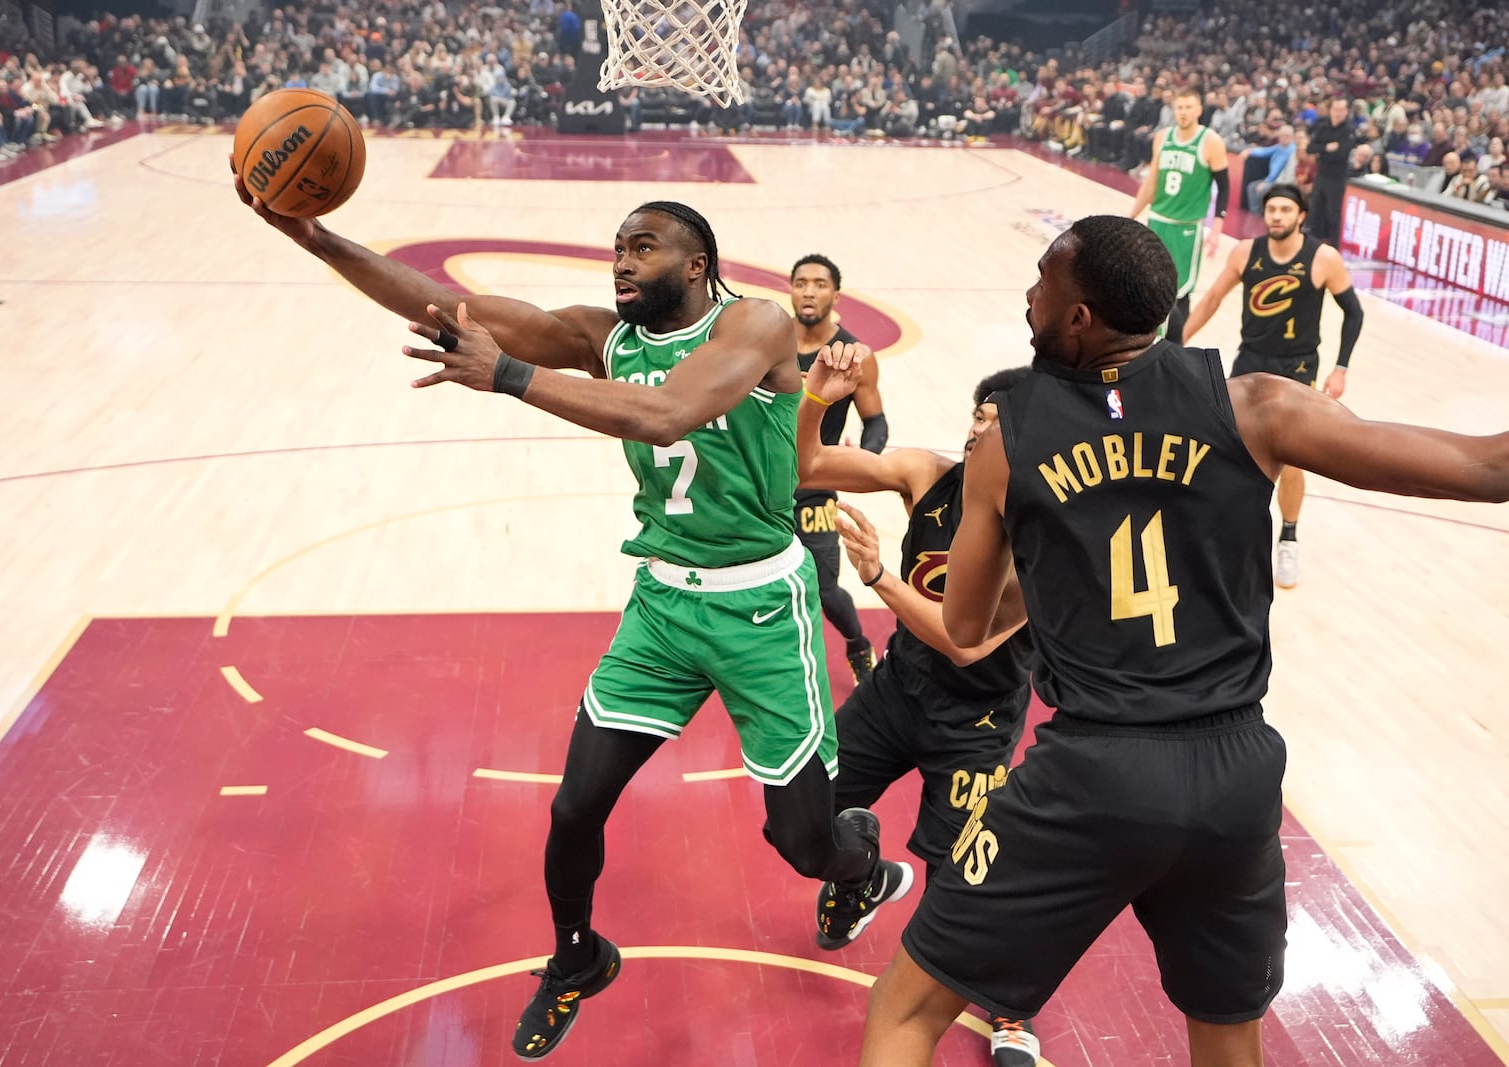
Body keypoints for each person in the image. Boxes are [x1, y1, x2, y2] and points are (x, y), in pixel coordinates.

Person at [230, 176, 886, 1061]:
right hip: (661, 605)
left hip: (762, 608)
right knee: (575, 808)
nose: (622, 259)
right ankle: (578, 954)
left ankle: (862, 861)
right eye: (617, 246)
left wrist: (506, 376)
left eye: (642, 246)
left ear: (697, 264)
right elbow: (449, 305)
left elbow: (667, 415)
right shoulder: (601, 336)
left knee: (803, 841)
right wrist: (314, 238)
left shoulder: (755, 325)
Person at [855, 214, 1509, 1067]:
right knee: (1229, 1039)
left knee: (903, 1012)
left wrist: (1057, 553)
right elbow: (1490, 467)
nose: (1028, 296)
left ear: (1081, 318)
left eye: (1042, 283)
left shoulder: (1006, 436)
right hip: (1234, 776)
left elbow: (969, 626)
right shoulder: (1257, 403)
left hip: (1094, 771)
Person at [797, 357, 1042, 1067]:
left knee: (963, 877)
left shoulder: (1037, 536)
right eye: (976, 416)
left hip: (978, 716)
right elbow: (807, 464)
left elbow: (964, 645)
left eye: (997, 426)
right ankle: (862, 876)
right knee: (805, 806)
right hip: (899, 686)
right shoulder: (926, 476)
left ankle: (1012, 1009)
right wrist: (819, 397)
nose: (977, 433)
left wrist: (877, 576)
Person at [1182, 183, 1363, 587]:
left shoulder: (1322, 258)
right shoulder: (1246, 252)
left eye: (1285, 209)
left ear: (1301, 215)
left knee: (1295, 458)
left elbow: (1353, 313)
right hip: (1250, 362)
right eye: (1271, 209)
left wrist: (1341, 367)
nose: (1277, 216)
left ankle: (1289, 538)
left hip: (1297, 368)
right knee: (1227, 450)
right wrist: (1177, 344)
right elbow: (1211, 299)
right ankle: (1222, 535)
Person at [789, 253, 888, 682]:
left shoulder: (853, 354)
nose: (809, 291)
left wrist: (863, 463)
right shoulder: (768, 344)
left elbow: (877, 423)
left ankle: (857, 644)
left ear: (835, 293)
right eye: (801, 282)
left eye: (819, 283)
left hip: (815, 486)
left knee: (824, 589)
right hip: (761, 484)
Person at [1129, 86, 1230, 344]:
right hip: (1157, 220)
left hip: (1187, 228)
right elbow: (1151, 182)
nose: (1183, 112)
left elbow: (1225, 186)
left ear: (1198, 110)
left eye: (1188, 107)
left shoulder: (1211, 142)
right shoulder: (1162, 138)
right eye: (1180, 107)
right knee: (1149, 286)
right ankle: (1147, 343)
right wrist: (1130, 217)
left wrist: (1217, 228)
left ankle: (1176, 349)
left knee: (1180, 292)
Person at [1305, 97, 1353, 246]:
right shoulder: (1323, 127)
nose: (1338, 113)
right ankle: (1311, 244)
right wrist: (1326, 148)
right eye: (1335, 110)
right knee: (1315, 210)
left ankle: (1333, 246)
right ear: (1331, 110)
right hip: (1321, 174)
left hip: (1336, 177)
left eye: (1341, 110)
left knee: (1333, 213)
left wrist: (1322, 151)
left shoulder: (1348, 131)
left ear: (1346, 112)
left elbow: (1341, 153)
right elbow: (1310, 148)